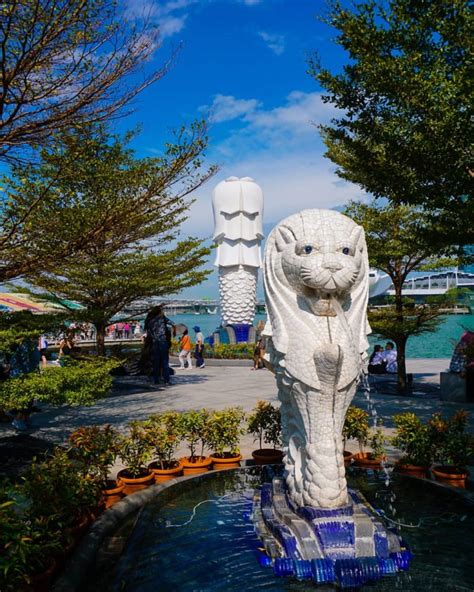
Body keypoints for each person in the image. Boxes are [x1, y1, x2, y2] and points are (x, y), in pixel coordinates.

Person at [144, 306, 175, 385]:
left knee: (156, 362)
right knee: (165, 362)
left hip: (154, 343)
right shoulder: (162, 318)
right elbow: (173, 324)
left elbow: (148, 333)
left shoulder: (149, 320)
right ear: (159, 311)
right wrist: (174, 332)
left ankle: (156, 380)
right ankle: (166, 380)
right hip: (163, 342)